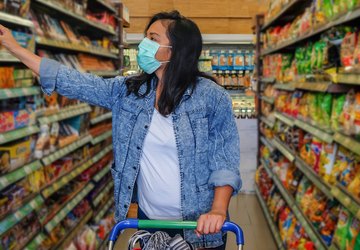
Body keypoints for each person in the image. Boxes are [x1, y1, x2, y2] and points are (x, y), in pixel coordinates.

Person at [0, 11, 241, 249]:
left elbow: (224, 159)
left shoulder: (212, 97)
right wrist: (14, 47)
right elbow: (74, 81)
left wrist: (217, 211)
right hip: (149, 221)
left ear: (176, 50)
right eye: (146, 37)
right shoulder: (130, 92)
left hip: (200, 224)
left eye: (153, 39)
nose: (144, 44)